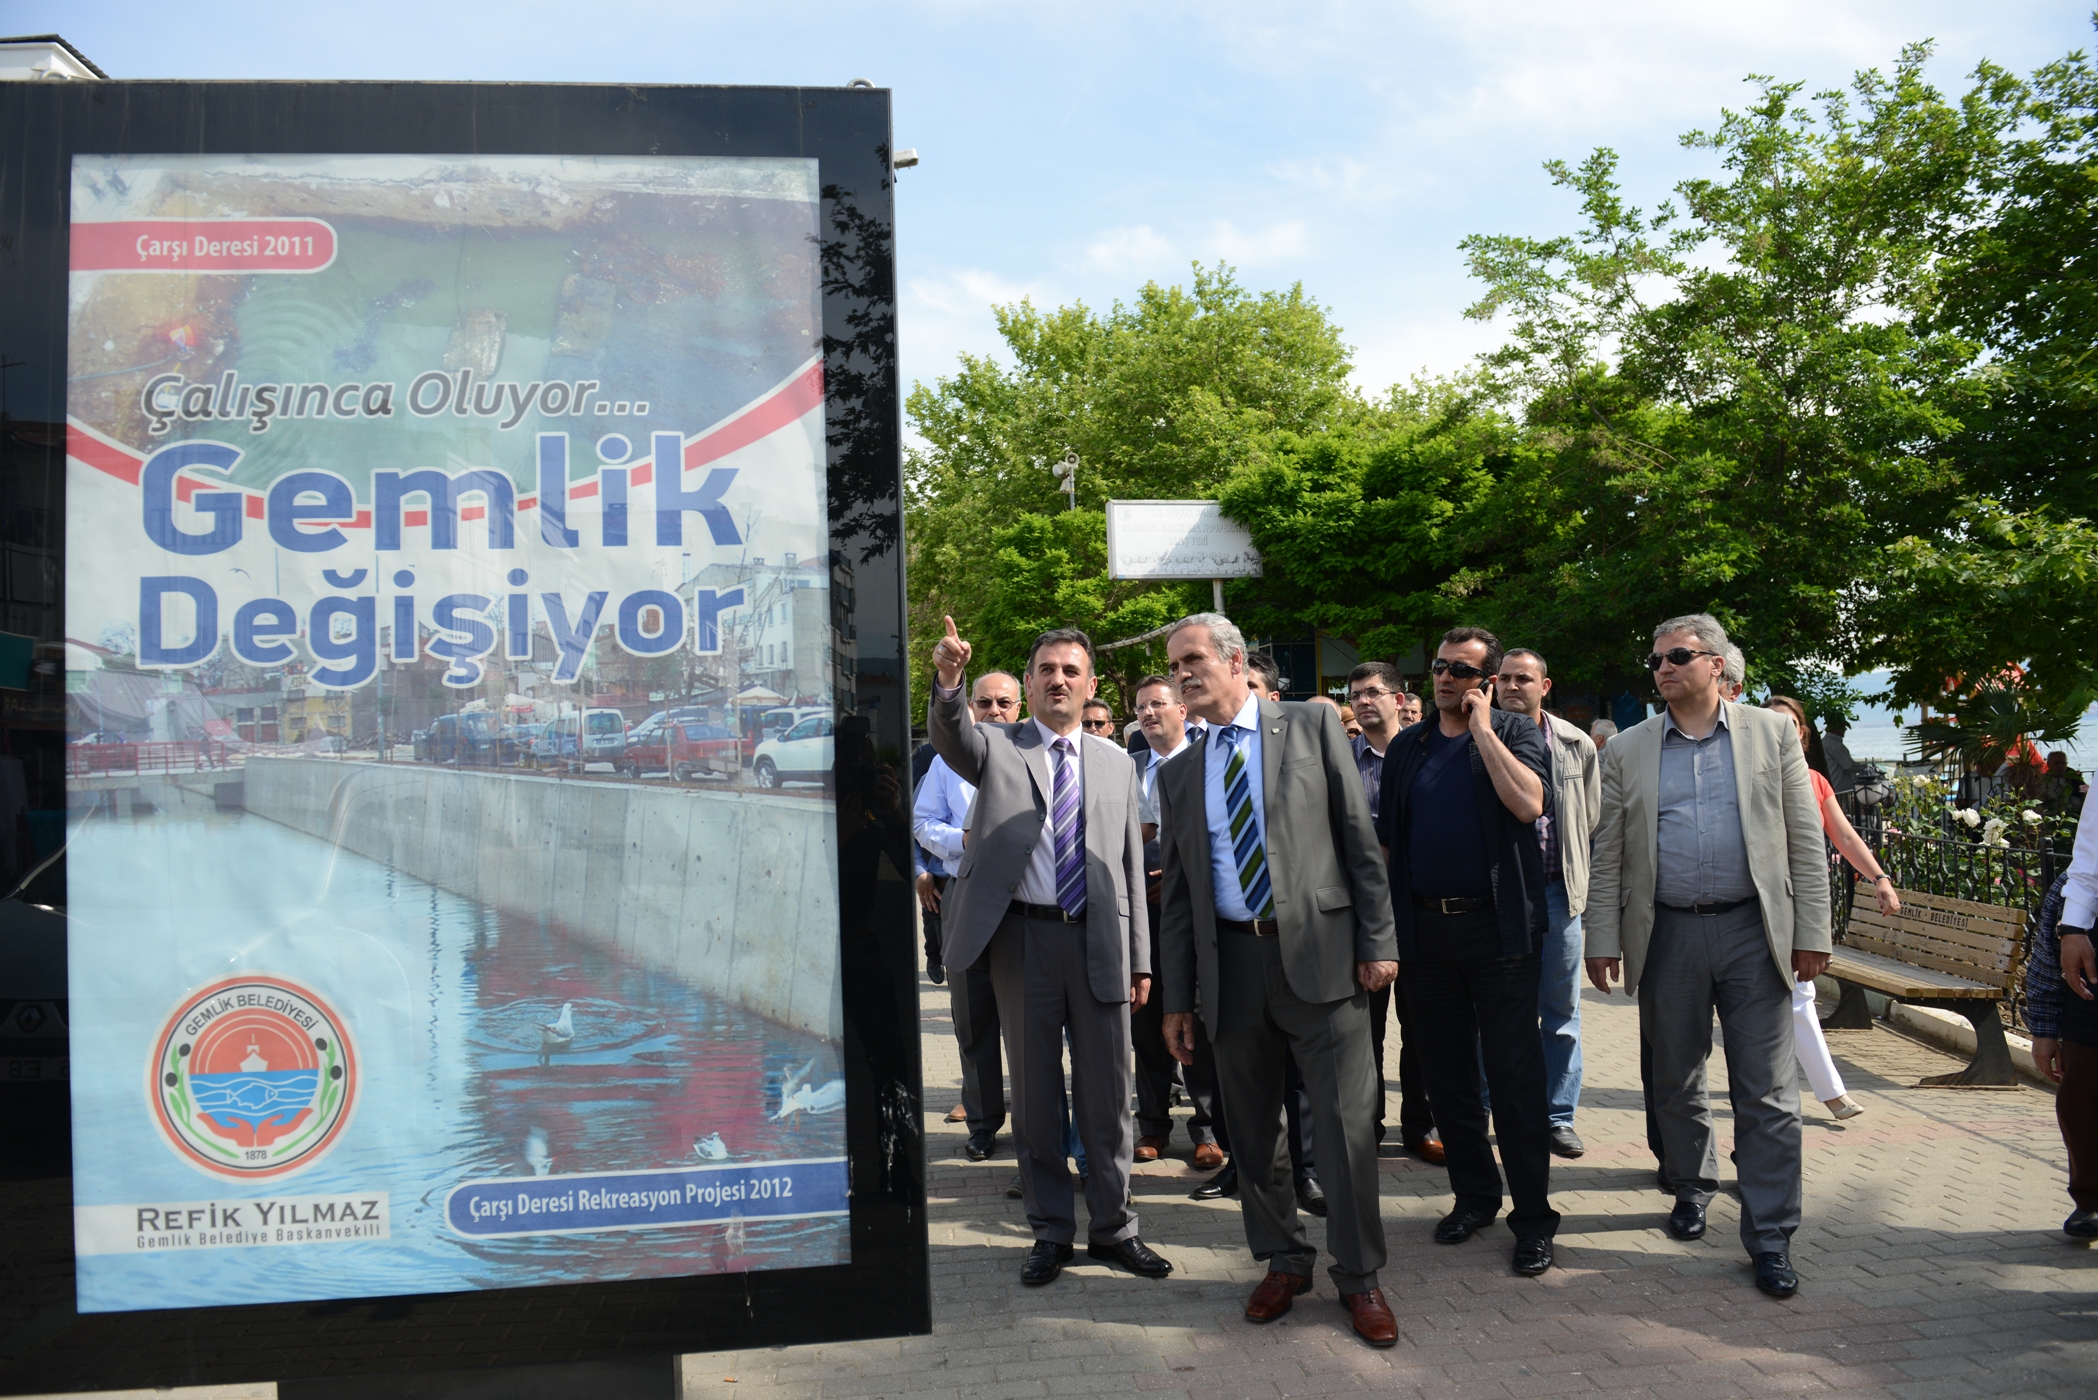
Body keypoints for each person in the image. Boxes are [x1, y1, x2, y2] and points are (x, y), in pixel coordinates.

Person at [1154, 612, 1401, 1347]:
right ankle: (1283, 1261)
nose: (1182, 674)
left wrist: (1378, 940)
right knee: (1254, 1132)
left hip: (1323, 958)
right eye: (1174, 664)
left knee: (1346, 1128)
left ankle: (1359, 1277)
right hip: (1231, 968)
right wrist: (1178, 998)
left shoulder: (1311, 726)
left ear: (1235, 661)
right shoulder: (1179, 771)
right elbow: (1180, 896)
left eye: (1193, 659)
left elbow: (1359, 840)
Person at [1586, 613, 1830, 1300]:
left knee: (1768, 1091)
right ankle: (1691, 1187)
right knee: (1675, 1075)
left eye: (1678, 657)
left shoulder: (1771, 733)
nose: (1662, 668)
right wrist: (1602, 939)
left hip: (1754, 932)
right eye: (1656, 659)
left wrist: (1813, 931)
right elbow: (1610, 854)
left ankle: (1771, 1234)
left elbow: (1804, 838)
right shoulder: (1627, 748)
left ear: (1717, 665)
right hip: (1667, 934)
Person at [927, 618, 1170, 1286]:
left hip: (1098, 940)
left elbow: (1128, 867)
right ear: (1029, 684)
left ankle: (1116, 1229)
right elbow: (949, 735)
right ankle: (1050, 1231)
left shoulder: (1117, 762)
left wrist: (1140, 959)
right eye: (1046, 670)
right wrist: (949, 679)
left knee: (1108, 1097)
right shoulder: (996, 746)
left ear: (1090, 685)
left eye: (1071, 671)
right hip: (1024, 943)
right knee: (1036, 1099)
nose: (1058, 680)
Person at [1378, 627, 1559, 1278]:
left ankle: (1532, 1219)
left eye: (1462, 670)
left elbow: (1529, 804)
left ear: (1487, 681)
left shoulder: (1514, 733)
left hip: (1500, 932)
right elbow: (1389, 844)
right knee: (1447, 1079)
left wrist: (1484, 729)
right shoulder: (1408, 746)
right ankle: (1475, 1197)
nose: (1446, 678)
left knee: (1514, 1080)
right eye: (1439, 667)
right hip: (1425, 933)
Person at [1494, 648, 1601, 1158]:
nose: (1512, 686)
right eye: (1504, 678)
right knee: (1492, 1010)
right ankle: (1490, 1107)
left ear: (1545, 685)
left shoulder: (1576, 743)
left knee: (1560, 1013)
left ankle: (1558, 1116)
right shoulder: (1478, 734)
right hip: (1496, 897)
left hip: (1558, 892)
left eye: (1523, 678)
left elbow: (1591, 817)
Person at [1765, 694, 1890, 1121]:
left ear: (1802, 733)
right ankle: (1824, 1092)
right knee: (1789, 998)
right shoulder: (1746, 776)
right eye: (1770, 724)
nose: (1780, 732)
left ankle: (1826, 1092)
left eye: (1788, 725)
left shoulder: (1815, 781)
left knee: (1799, 994)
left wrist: (1879, 878)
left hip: (1800, 904)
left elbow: (1846, 836)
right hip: (1755, 903)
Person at [913, 673, 1020, 1159]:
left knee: (1029, 1022)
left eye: (1004, 702)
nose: (994, 710)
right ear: (971, 707)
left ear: (1020, 706)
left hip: (1027, 902)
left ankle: (1037, 1125)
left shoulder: (1037, 756)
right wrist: (961, 841)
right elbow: (922, 822)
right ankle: (982, 1122)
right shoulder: (945, 761)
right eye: (985, 702)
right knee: (972, 1018)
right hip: (966, 893)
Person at [1346, 661, 1442, 1166]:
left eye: (1373, 692)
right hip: (1360, 915)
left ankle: (1421, 1125)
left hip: (1420, 910)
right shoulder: (1339, 759)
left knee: (1423, 1026)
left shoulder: (1427, 753)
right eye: (1355, 694)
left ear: (1400, 700)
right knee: (1364, 1030)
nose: (1363, 701)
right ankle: (1365, 1125)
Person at [1130, 675, 1197, 1165]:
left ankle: (1208, 1128)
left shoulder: (1207, 760)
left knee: (1198, 1020)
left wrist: (1176, 877)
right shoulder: (1124, 766)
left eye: (1157, 704)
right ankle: (1153, 1126)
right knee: (1147, 1022)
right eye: (1140, 708)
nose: (1148, 714)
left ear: (1182, 710)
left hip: (1197, 918)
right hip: (1141, 917)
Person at [2025, 866, 2098, 1238]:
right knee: (2079, 1104)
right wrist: (2044, 1031)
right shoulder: (2077, 880)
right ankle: (2089, 1201)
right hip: (2088, 1008)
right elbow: (2045, 961)